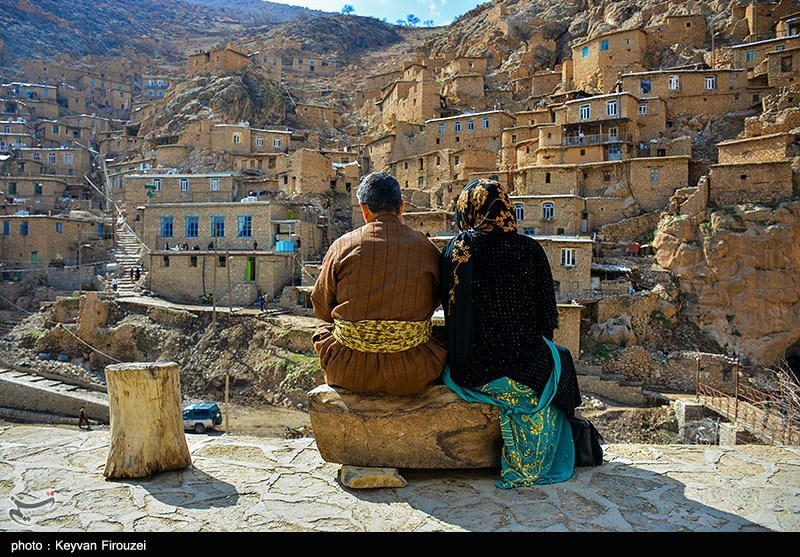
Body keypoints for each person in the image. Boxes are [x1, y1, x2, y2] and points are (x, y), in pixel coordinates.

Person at [439, 178, 582, 489]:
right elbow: (547, 321)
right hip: (530, 367)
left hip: (473, 369)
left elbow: (452, 315)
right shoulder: (532, 250)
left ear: (467, 210)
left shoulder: (458, 249)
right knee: (562, 360)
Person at [311, 171, 446, 395]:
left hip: (349, 371)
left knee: (322, 331)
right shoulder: (426, 248)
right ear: (401, 206)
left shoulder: (342, 246)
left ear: (363, 209)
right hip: (414, 372)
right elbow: (434, 302)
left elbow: (322, 308)